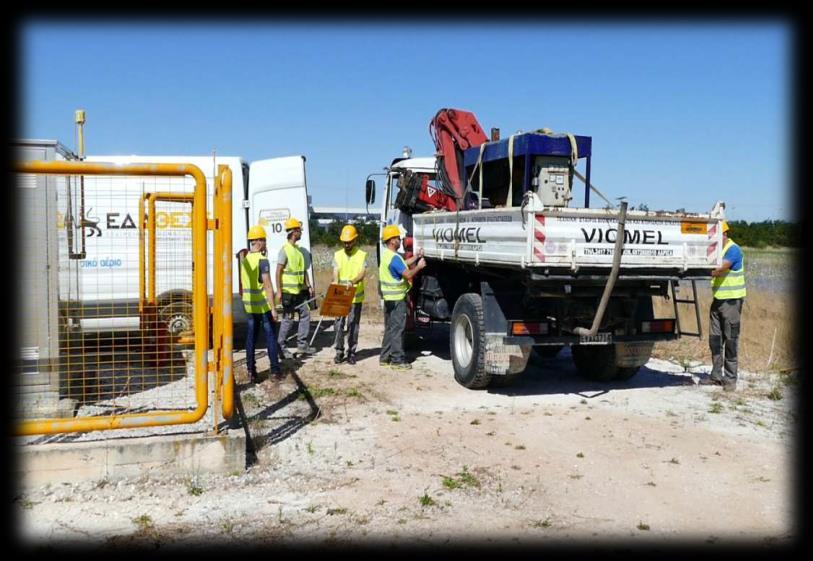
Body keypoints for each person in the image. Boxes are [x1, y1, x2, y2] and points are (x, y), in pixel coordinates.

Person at [703, 220, 746, 392]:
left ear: (724, 233)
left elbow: (718, 270)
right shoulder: (717, 250)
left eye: (715, 235)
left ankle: (730, 380)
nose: (712, 238)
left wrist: (697, 270)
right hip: (718, 300)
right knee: (715, 339)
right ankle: (716, 376)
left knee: (730, 341)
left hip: (731, 302)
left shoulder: (733, 250)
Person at [238, 224, 282, 383]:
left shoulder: (245, 260)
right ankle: (275, 370)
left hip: (250, 306)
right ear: (258, 241)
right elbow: (268, 286)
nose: (265, 243)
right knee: (270, 336)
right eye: (264, 240)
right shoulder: (262, 261)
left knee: (251, 337)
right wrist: (274, 309)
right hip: (263, 306)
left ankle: (251, 371)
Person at [378, 224, 427, 370]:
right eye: (398, 238)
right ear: (392, 241)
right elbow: (407, 274)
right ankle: (397, 359)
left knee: (390, 328)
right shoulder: (394, 258)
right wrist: (419, 266)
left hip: (388, 299)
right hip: (397, 298)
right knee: (398, 329)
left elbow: (402, 264)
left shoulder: (387, 255)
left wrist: (416, 257)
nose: (400, 240)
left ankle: (385, 357)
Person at [275, 217, 316, 356]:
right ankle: (281, 346)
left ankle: (302, 345)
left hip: (298, 291)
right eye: (299, 230)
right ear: (294, 232)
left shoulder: (298, 251)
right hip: (288, 292)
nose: (301, 233)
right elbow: (278, 271)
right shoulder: (285, 250)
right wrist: (279, 291)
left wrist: (308, 285)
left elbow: (302, 270)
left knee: (305, 314)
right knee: (288, 319)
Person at [333, 224, 367, 365]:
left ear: (354, 240)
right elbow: (335, 272)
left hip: (355, 297)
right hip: (340, 296)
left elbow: (362, 273)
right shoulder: (337, 255)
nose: (347, 244)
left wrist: (352, 281)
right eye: (344, 242)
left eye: (349, 242)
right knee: (338, 325)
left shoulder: (362, 255)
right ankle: (339, 352)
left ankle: (351, 352)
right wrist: (335, 284)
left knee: (353, 325)